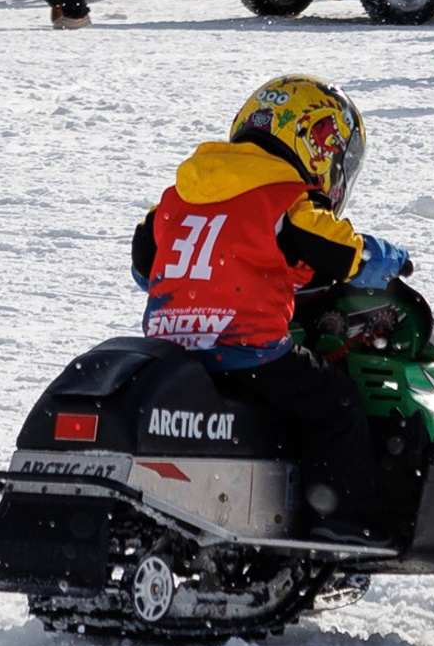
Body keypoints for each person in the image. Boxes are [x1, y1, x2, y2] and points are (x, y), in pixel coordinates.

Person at [132, 75, 409, 543]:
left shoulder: (180, 194)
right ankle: (340, 529)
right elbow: (338, 251)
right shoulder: (283, 197)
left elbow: (144, 263)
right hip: (245, 348)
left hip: (173, 350)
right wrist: (389, 258)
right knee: (335, 403)